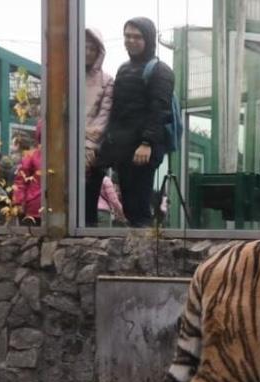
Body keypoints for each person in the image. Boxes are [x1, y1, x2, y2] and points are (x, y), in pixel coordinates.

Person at [95, 17, 175, 227]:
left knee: (139, 205)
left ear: (148, 39)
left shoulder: (160, 71)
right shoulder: (123, 69)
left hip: (144, 148)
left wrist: (147, 142)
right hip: (123, 147)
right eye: (127, 36)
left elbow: (160, 109)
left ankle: (147, 249)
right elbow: (118, 109)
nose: (131, 40)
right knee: (130, 205)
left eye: (137, 36)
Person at [83, 27, 115, 226]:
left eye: (92, 48)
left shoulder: (107, 80)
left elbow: (104, 117)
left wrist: (88, 146)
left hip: (93, 152)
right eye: (83, 47)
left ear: (99, 51)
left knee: (88, 202)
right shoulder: (65, 75)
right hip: (64, 151)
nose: (87, 52)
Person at [11, 120, 42, 223]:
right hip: (33, 210)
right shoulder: (31, 156)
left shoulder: (65, 156)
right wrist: (18, 203)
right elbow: (20, 182)